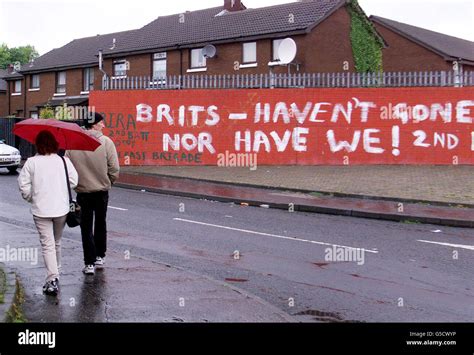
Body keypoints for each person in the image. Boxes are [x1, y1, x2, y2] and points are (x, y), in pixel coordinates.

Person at [18, 130, 78, 296]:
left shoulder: (31, 162)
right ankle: (56, 273)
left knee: (47, 244)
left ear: (37, 144)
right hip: (61, 209)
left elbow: (23, 186)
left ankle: (52, 279)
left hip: (41, 210)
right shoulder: (63, 161)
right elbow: (74, 181)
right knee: (56, 242)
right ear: (54, 144)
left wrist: (32, 197)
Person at [66, 112, 120, 275]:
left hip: (82, 192)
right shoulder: (105, 142)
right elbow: (114, 168)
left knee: (86, 226)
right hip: (101, 191)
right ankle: (99, 256)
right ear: (95, 124)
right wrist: (109, 182)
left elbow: (67, 168)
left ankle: (88, 263)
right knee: (101, 223)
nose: (103, 125)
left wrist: (76, 184)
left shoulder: (73, 143)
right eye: (101, 122)